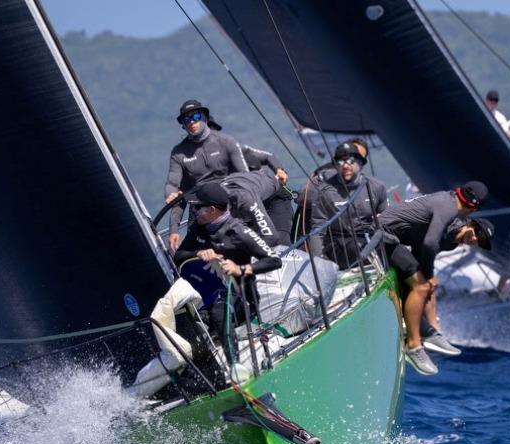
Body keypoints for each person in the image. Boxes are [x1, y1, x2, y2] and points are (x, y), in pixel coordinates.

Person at [379, 181, 491, 375]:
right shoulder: (449, 209)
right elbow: (429, 245)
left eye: (479, 242)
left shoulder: (452, 238)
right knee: (423, 286)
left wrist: (426, 277)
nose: (475, 240)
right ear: (471, 217)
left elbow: (420, 244)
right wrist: (428, 276)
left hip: (390, 238)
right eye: (476, 234)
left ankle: (433, 333)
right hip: (382, 234)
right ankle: (414, 346)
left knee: (425, 286)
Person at [173, 183, 282, 360]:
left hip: (241, 299)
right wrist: (198, 253)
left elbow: (274, 260)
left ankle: (234, 365)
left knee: (218, 309)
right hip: (207, 295)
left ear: (212, 210)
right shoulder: (198, 228)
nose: (193, 211)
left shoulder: (239, 231)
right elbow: (178, 256)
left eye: (197, 208)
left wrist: (240, 269)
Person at [165, 99, 248, 250]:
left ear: (204, 117)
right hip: (200, 210)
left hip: (229, 204)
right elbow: (174, 189)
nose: (191, 122)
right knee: (191, 255)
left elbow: (246, 178)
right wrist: (174, 229)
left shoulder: (225, 141)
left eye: (195, 117)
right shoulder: (179, 153)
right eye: (186, 119)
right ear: (183, 125)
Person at [309, 141, 388, 269]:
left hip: (369, 239)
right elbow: (317, 231)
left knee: (398, 251)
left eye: (351, 161)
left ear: (360, 163)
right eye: (340, 162)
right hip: (338, 245)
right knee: (357, 247)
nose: (345, 166)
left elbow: (387, 220)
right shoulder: (324, 192)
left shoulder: (376, 187)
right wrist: (318, 263)